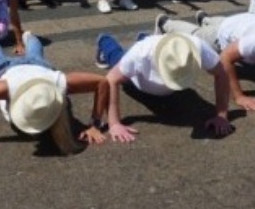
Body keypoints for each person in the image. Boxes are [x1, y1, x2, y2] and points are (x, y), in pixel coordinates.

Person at [0, 31, 109, 157]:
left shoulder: (57, 81)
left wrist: (95, 125)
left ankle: (28, 37)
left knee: (35, 53)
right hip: (6, 70)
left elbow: (102, 82)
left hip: (39, 67)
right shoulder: (8, 87)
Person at [95, 30, 234, 142]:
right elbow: (111, 79)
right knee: (116, 56)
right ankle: (105, 40)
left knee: (144, 44)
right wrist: (114, 124)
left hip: (155, 68)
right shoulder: (141, 54)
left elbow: (222, 73)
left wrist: (222, 115)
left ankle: (145, 36)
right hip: (137, 81)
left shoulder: (196, 47)